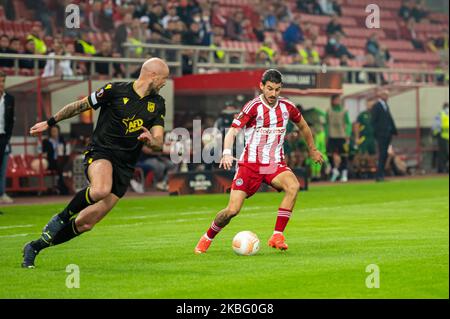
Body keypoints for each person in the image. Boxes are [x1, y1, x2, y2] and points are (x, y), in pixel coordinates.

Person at [21, 58, 169, 268]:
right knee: (100, 189)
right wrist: (50, 122)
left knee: (86, 223)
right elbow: (80, 106)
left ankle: (34, 247)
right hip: (102, 152)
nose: (165, 83)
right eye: (164, 78)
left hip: (125, 166)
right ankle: (62, 217)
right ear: (153, 75)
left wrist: (151, 141)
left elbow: (159, 141)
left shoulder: (158, 103)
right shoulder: (114, 90)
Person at [194, 69, 324, 254]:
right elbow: (232, 131)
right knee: (232, 210)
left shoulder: (287, 107)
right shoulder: (252, 107)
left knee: (293, 186)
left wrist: (313, 150)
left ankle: (277, 235)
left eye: (277, 90)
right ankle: (207, 237)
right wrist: (226, 153)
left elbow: (303, 125)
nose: (273, 94)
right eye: (269, 89)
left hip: (273, 164)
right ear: (261, 86)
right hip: (250, 165)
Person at [371, 89, 398, 182]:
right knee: (382, 154)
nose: (387, 97)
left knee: (385, 154)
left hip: (387, 134)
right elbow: (373, 121)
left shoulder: (386, 106)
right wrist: (376, 133)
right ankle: (379, 175)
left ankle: (381, 174)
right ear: (380, 95)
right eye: (385, 95)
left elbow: (389, 119)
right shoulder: (376, 106)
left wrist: (393, 131)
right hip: (381, 135)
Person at [325, 94, 351, 182]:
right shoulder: (328, 111)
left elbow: (348, 123)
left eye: (339, 100)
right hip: (332, 136)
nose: (338, 101)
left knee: (344, 156)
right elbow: (326, 124)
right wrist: (326, 134)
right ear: (332, 101)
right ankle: (334, 170)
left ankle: (344, 174)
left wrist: (347, 134)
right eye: (336, 100)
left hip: (342, 136)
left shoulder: (344, 111)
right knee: (328, 154)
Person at [0, 71, 15, 204]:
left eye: (3, 81)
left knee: (2, 167)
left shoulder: (10, 99)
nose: (1, 84)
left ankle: (1, 193)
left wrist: (8, 137)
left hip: (3, 137)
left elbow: (11, 120)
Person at [42, 125, 68, 194]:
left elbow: (65, 151)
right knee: (60, 167)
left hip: (61, 160)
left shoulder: (61, 140)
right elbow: (44, 153)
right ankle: (62, 187)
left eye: (56, 131)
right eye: (53, 131)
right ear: (50, 132)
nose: (55, 133)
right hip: (51, 161)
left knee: (64, 165)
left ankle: (63, 185)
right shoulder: (46, 141)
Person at [432, 102, 449, 173]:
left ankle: (442, 170)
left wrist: (434, 134)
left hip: (442, 137)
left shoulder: (440, 114)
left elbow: (436, 126)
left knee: (442, 154)